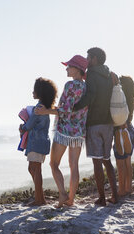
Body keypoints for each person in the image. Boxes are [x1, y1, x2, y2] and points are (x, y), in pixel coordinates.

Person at [35, 55, 88, 207]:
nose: (66, 68)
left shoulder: (70, 85)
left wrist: (46, 112)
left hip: (64, 130)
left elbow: (65, 110)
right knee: (74, 166)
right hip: (78, 132)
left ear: (77, 69)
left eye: (69, 66)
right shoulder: (85, 87)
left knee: (53, 164)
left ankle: (63, 195)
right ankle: (70, 200)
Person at [73, 47, 118, 206]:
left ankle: (102, 198)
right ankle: (115, 196)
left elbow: (90, 95)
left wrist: (75, 107)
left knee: (97, 162)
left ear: (95, 59)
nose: (87, 61)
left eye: (88, 57)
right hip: (108, 123)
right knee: (107, 161)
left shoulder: (92, 74)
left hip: (94, 123)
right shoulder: (109, 74)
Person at [19, 77, 57, 206]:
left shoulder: (38, 108)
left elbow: (29, 125)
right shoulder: (45, 107)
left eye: (34, 90)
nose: (32, 92)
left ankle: (39, 200)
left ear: (40, 92)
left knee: (35, 169)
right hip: (42, 141)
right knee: (33, 168)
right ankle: (40, 197)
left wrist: (22, 128)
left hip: (36, 142)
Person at [113, 76, 134, 196]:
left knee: (120, 163)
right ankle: (129, 188)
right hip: (131, 131)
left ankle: (121, 190)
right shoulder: (131, 100)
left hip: (121, 132)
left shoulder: (120, 100)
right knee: (127, 161)